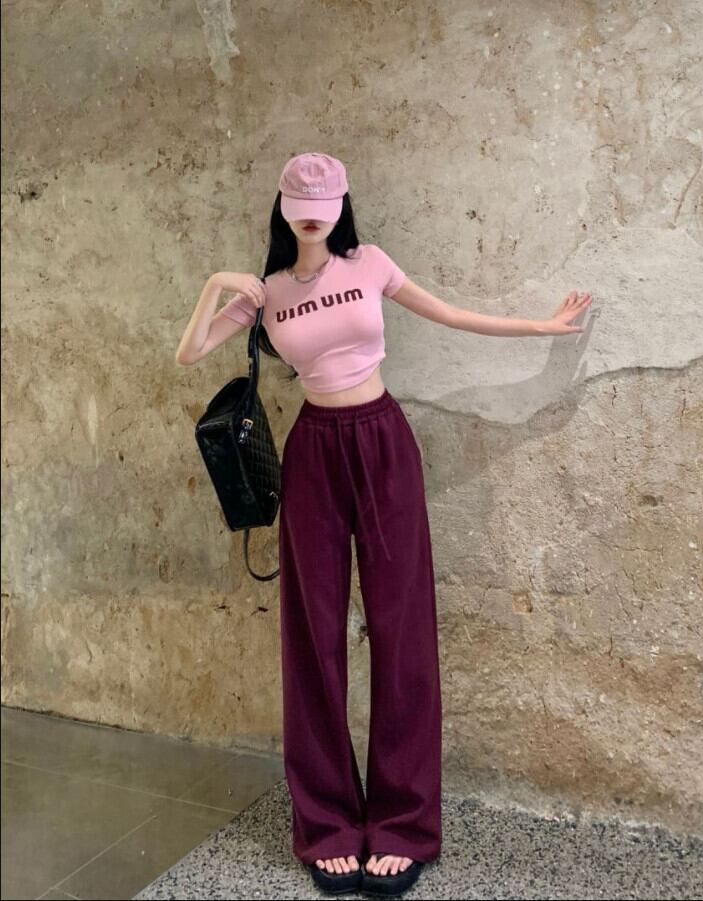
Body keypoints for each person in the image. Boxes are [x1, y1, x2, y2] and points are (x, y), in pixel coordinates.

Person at [176, 152, 592, 897]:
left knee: (403, 629)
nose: (314, 217)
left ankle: (403, 824)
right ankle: (327, 824)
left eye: (326, 205)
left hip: (382, 440)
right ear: (283, 208)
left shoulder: (368, 263)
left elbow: (450, 313)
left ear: (342, 205)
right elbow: (189, 352)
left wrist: (544, 326)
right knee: (312, 633)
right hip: (313, 450)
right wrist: (216, 285)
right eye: (302, 206)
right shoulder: (267, 291)